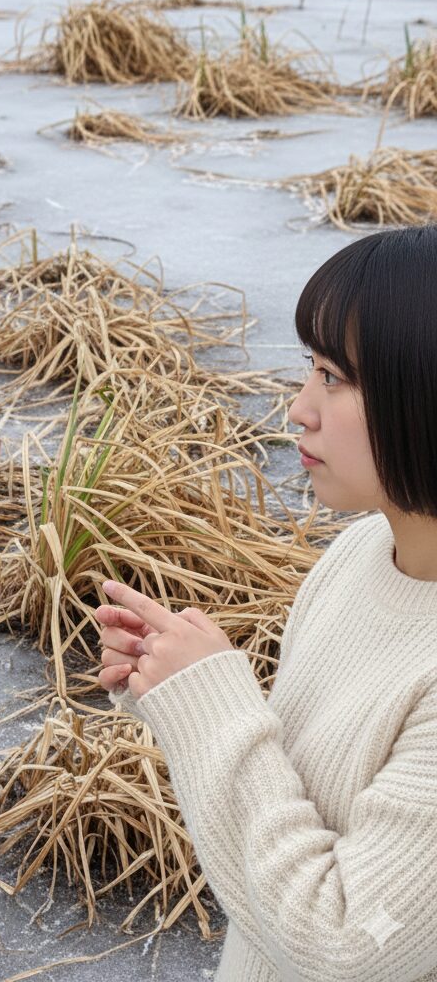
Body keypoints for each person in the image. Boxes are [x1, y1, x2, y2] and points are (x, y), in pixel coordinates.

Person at [95, 224, 437, 981]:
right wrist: (176, 687)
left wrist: (213, 706)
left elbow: (347, 943)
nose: (298, 408)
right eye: (310, 369)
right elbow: (305, 793)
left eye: (335, 378)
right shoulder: (361, 553)